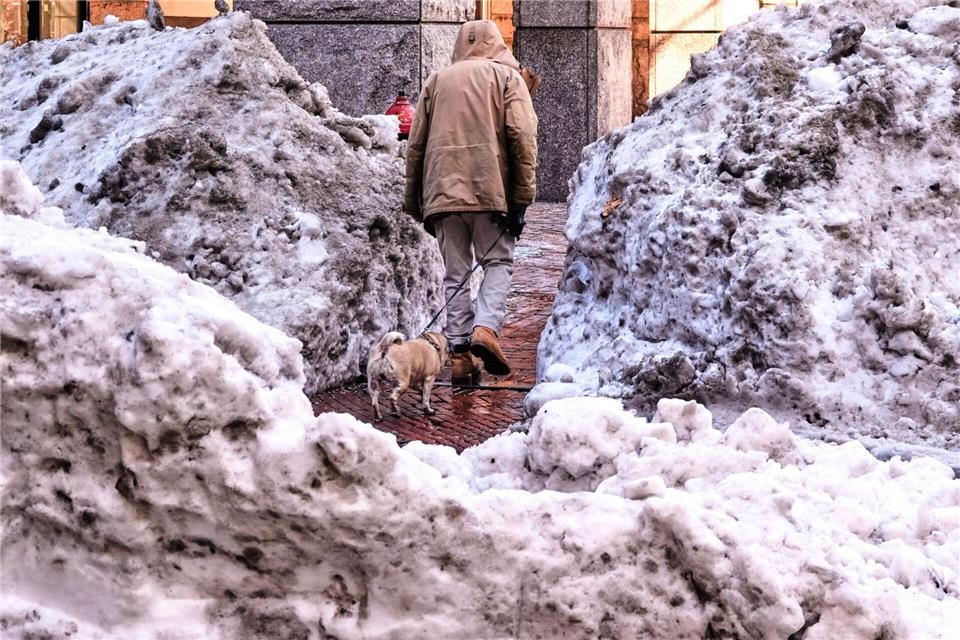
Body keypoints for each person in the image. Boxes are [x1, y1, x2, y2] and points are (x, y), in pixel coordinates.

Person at [403, 19, 538, 383]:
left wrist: (413, 201)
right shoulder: (508, 79)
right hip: (490, 191)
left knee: (456, 275)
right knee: (498, 262)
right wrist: (522, 198)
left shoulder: (437, 81)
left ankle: (461, 355)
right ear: (497, 45)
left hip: (441, 195)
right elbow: (522, 138)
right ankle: (486, 329)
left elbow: (415, 146)